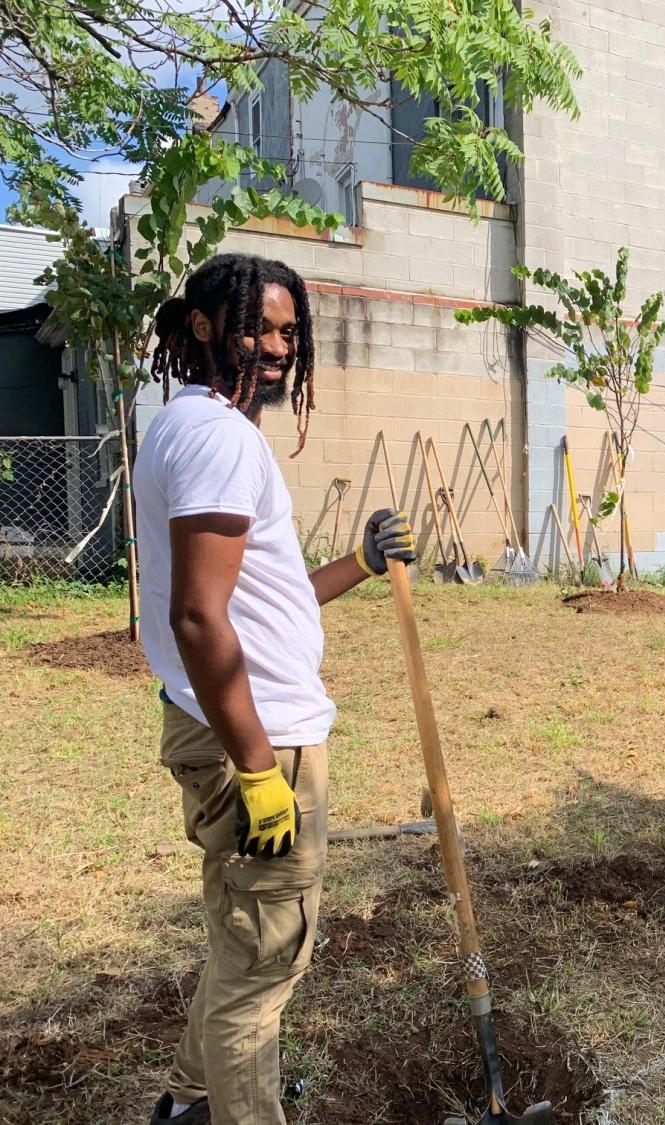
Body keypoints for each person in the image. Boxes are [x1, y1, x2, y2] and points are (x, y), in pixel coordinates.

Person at [134, 253, 415, 1125]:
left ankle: (186, 1101)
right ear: (206, 326)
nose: (278, 347)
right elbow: (199, 618)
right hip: (259, 741)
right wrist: (260, 771)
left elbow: (264, 595)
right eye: (259, 326)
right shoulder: (221, 437)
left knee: (242, 939)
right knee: (264, 968)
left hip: (229, 722)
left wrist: (362, 565)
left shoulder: (188, 424)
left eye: (291, 331)